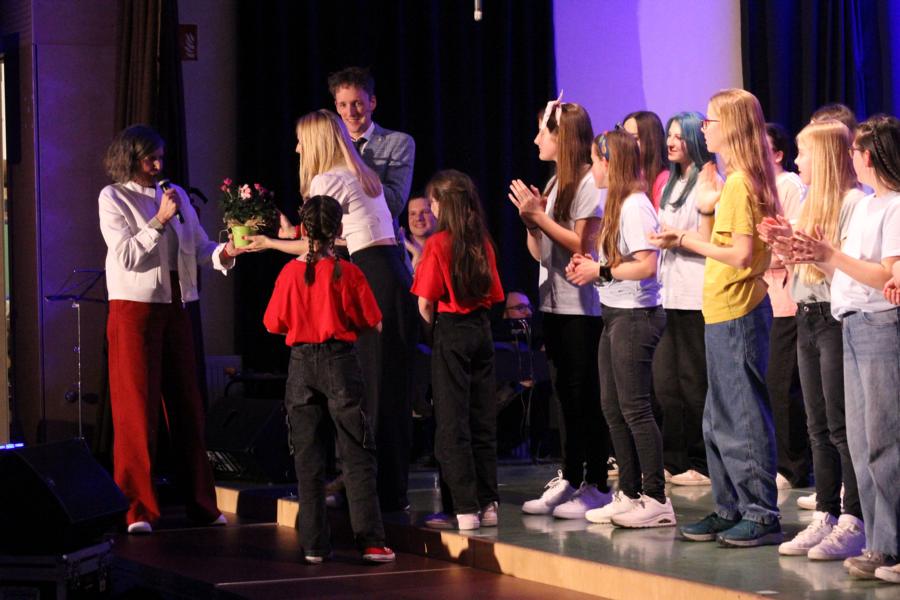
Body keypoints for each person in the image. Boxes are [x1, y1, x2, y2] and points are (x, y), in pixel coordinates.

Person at [245, 110, 417, 512]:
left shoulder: (327, 180)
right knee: (388, 391)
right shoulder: (363, 175)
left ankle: (370, 494)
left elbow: (317, 248)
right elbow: (340, 239)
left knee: (367, 392)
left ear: (315, 143)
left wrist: (269, 243)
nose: (296, 149)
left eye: (301, 141)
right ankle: (388, 491)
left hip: (372, 275)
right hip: (392, 274)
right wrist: (291, 235)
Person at [650, 88, 782, 547]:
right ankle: (730, 507)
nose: (703, 129)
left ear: (731, 127)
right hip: (720, 308)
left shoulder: (743, 183)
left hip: (738, 310)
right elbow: (718, 248)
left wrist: (683, 239)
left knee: (741, 415)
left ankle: (760, 512)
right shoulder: (732, 183)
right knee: (716, 420)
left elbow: (742, 256)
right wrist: (706, 207)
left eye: (710, 121)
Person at [99, 124, 244, 533]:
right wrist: (160, 220)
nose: (158, 164)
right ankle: (137, 510)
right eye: (151, 158)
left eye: (161, 156)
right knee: (136, 411)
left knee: (188, 408)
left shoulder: (173, 192)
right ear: (130, 158)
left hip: (178, 307)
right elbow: (126, 256)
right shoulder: (113, 197)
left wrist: (226, 252)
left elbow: (199, 247)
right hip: (134, 310)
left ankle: (202, 504)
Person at [789, 115, 900, 581]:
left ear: (867, 156)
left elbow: (887, 275)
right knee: (860, 442)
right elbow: (851, 273)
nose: (851, 158)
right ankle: (878, 543)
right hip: (851, 322)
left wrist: (831, 255)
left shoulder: (894, 206)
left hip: (879, 325)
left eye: (855, 150)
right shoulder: (870, 206)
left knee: (883, 442)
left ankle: (892, 546)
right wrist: (819, 257)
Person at [262, 194, 395, 564]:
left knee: (308, 458)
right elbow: (374, 323)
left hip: (301, 365)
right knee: (356, 453)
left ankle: (314, 545)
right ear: (338, 230)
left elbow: (273, 324)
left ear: (304, 230)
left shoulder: (290, 274)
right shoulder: (348, 272)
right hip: (339, 362)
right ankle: (370, 542)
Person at [758, 119, 866, 561]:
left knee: (841, 426)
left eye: (804, 153)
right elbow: (805, 269)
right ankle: (825, 512)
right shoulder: (809, 202)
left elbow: (852, 274)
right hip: (805, 315)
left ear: (823, 157)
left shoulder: (853, 203)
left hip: (834, 319)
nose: (798, 160)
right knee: (816, 425)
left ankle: (853, 518)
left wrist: (814, 255)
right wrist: (785, 247)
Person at [508, 99, 612, 520]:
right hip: (554, 303)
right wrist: (532, 223)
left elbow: (582, 246)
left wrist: (540, 217)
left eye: (543, 132)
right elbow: (541, 252)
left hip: (583, 310)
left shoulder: (588, 182)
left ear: (562, 137)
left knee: (585, 397)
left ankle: (597, 483)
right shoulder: (554, 184)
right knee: (564, 398)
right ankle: (570, 475)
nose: (536, 140)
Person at [566, 129, 674, 528]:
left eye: (596, 160)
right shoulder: (617, 203)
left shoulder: (634, 206)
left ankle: (656, 498)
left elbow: (647, 265)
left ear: (610, 163)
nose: (592, 168)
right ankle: (628, 492)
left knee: (636, 409)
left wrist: (602, 270)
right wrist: (592, 269)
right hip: (615, 314)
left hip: (636, 317)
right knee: (613, 407)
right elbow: (617, 264)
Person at [411, 169, 505, 531]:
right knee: (482, 419)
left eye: (433, 201)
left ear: (443, 204)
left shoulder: (438, 243)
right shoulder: (483, 241)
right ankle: (488, 503)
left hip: (451, 331)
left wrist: (433, 334)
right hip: (481, 331)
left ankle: (464, 509)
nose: (431, 208)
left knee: (451, 424)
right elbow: (495, 295)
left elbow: (425, 303)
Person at [652, 112, 716, 487]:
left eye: (678, 136)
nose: (671, 142)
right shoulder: (671, 183)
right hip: (669, 294)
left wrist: (676, 239)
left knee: (695, 384)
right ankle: (673, 460)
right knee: (666, 384)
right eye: (669, 136)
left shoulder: (708, 180)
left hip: (696, 295)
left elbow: (710, 241)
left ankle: (702, 462)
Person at [764, 122, 810, 490]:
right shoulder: (761, 186)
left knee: (784, 383)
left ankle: (793, 466)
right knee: (774, 382)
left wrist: (752, 259)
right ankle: (781, 460)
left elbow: (789, 247)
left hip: (788, 298)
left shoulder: (789, 186)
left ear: (778, 154)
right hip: (767, 297)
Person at [328, 66, 416, 226]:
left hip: (380, 239)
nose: (350, 112)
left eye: (357, 103)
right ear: (336, 106)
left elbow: (394, 204)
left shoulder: (399, 142)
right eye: (343, 105)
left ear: (372, 102)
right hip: (336, 239)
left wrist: (353, 161)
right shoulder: (329, 145)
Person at [623, 111, 670, 210]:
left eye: (634, 138)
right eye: (623, 137)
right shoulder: (626, 176)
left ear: (651, 141)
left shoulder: (664, 179)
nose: (625, 144)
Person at [401, 195, 436, 270]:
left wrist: (417, 254)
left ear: (435, 214)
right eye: (413, 214)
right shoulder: (399, 251)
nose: (418, 218)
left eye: (425, 212)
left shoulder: (446, 247)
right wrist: (416, 254)